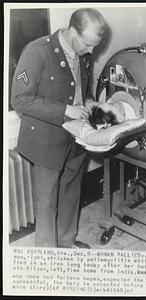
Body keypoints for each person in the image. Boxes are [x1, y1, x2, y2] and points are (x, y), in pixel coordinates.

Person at [11, 8, 107, 248]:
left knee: (70, 195)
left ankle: (66, 246)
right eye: (88, 44)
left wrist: (89, 101)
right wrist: (66, 109)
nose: (91, 52)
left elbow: (80, 90)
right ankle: (47, 259)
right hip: (46, 141)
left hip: (76, 138)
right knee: (46, 204)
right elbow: (20, 100)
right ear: (72, 31)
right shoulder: (37, 52)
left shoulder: (83, 53)